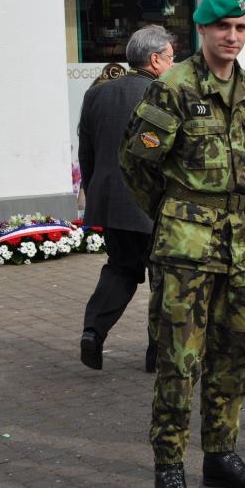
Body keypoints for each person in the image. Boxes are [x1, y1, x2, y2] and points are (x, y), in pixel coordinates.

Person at [119, 0, 245, 488]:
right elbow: (137, 163)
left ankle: (221, 454)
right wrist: (176, 213)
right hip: (186, 245)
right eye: (223, 27)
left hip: (238, 243)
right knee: (181, 361)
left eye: (242, 27)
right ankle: (169, 467)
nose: (233, 36)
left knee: (236, 351)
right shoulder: (173, 87)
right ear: (203, 30)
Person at [79, 25, 174, 372]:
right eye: (170, 58)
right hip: (155, 205)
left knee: (120, 268)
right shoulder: (165, 94)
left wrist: (94, 193)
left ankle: (93, 331)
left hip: (112, 204)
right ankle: (157, 354)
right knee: (163, 279)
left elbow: (86, 152)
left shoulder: (97, 94)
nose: (173, 64)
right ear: (154, 59)